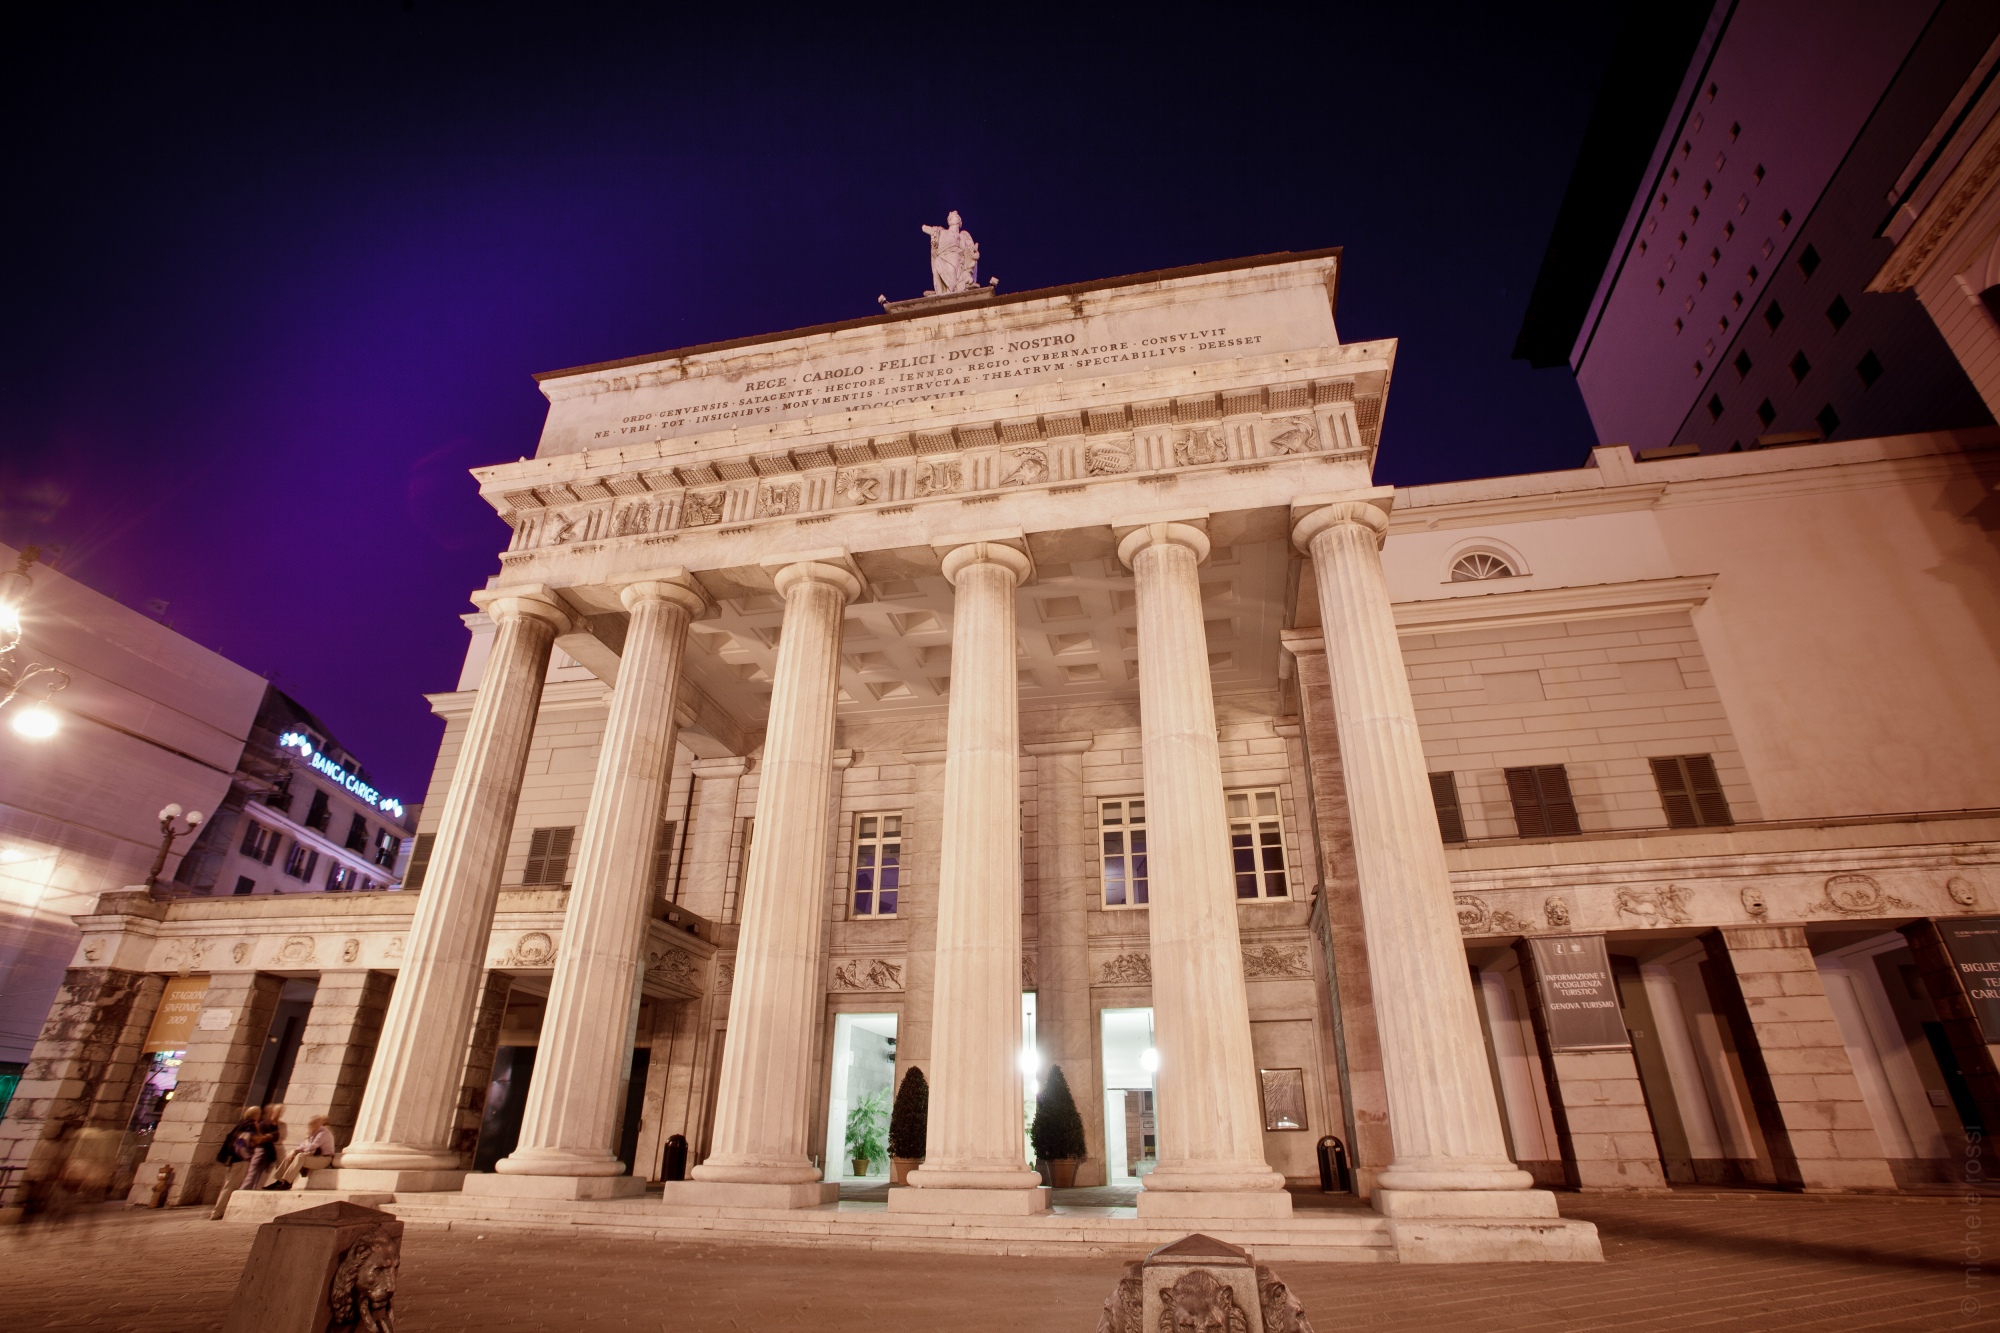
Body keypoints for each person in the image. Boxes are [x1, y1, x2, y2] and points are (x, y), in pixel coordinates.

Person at [208, 1105, 262, 1220]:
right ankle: (218, 1212)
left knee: (228, 1185)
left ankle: (220, 1210)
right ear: (256, 1115)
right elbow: (241, 1145)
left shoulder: (241, 1124)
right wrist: (247, 1157)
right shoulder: (249, 1125)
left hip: (231, 1159)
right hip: (239, 1160)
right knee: (230, 1186)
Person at [267, 1114, 336, 1189]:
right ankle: (279, 1181)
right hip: (315, 1157)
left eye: (311, 1125)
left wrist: (306, 1140)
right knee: (290, 1156)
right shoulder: (314, 1132)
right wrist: (294, 1151)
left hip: (324, 1159)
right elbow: (302, 1146)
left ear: (317, 1124)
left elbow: (311, 1146)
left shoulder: (323, 1133)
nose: (309, 1126)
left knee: (300, 1156)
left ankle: (287, 1182)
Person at [246, 1103, 285, 1190]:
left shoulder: (280, 1125)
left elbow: (281, 1136)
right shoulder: (263, 1124)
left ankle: (256, 1191)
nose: (280, 1113)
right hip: (263, 1150)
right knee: (252, 1175)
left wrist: (270, 1137)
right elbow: (258, 1139)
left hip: (272, 1153)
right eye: (278, 1111)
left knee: (264, 1176)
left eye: (281, 1111)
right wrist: (270, 1137)